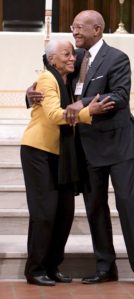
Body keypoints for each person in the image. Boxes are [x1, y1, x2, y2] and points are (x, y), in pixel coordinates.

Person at [26, 10, 134, 288]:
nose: (75, 32)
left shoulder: (117, 58)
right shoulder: (77, 57)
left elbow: (119, 96)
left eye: (79, 28)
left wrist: (81, 103)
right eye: (73, 28)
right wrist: (30, 92)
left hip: (119, 145)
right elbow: (50, 66)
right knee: (95, 208)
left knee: (126, 204)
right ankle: (105, 267)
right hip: (87, 146)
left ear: (97, 29)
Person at [21, 37, 113, 286]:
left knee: (64, 212)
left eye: (73, 54)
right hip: (38, 150)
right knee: (44, 212)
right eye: (66, 55)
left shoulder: (68, 79)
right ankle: (35, 269)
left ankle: (52, 266)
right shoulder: (47, 78)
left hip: (62, 153)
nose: (72, 58)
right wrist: (87, 112)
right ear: (51, 59)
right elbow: (52, 115)